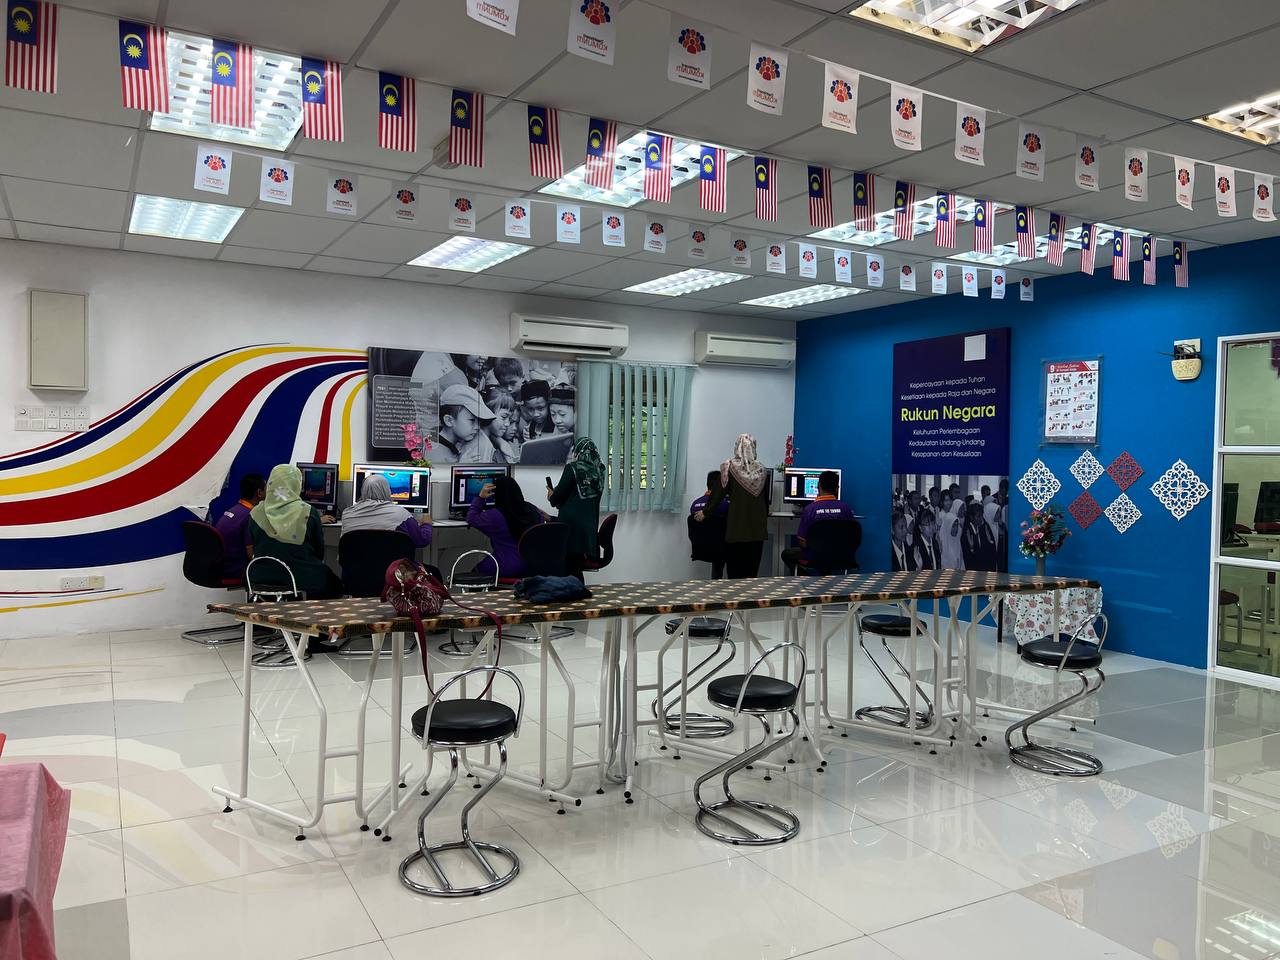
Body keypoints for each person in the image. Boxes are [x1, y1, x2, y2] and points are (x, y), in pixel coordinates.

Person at [247, 464, 344, 599]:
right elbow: (319, 552)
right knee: (334, 584)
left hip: (260, 576)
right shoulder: (308, 512)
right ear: (297, 484)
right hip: (299, 577)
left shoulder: (255, 513)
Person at [698, 434, 768, 579]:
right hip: (757, 532)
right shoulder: (762, 470)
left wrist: (705, 512)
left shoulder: (729, 467)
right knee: (752, 574)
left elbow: (717, 494)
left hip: (737, 530)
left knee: (735, 576)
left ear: (737, 447)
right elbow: (765, 501)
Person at [548, 436, 605, 579]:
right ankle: (577, 590)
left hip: (571, 528)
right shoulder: (600, 470)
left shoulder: (572, 468)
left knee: (569, 567)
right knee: (575, 566)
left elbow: (556, 499)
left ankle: (576, 591)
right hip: (589, 529)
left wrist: (551, 495)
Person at [469, 475, 545, 578]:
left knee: (474, 573)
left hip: (507, 566)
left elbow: (471, 518)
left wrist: (481, 498)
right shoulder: (533, 510)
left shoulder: (495, 515)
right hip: (533, 566)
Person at [781, 470, 854, 572]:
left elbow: (803, 543)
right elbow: (851, 537)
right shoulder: (846, 509)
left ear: (818, 486)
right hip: (840, 556)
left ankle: (805, 579)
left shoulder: (810, 510)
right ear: (837, 488)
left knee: (786, 554)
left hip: (815, 557)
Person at [340, 475, 433, 549]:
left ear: (363, 490)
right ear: (387, 490)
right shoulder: (401, 515)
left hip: (354, 567)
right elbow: (422, 541)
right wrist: (427, 524)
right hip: (392, 567)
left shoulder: (347, 514)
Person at [214, 472, 265, 579]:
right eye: (266, 489)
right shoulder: (249, 517)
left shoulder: (234, 510)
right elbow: (252, 556)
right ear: (259, 493)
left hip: (222, 567)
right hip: (236, 571)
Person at [435, 383, 497, 464]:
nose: (477, 427)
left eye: (479, 421)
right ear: (449, 420)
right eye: (472, 420)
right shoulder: (433, 449)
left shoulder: (453, 445)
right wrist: (460, 466)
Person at [483, 387, 521, 463]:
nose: (507, 424)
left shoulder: (494, 440)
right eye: (503, 417)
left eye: (509, 419)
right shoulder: (483, 446)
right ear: (488, 412)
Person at [938, 494, 965, 570]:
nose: (956, 529)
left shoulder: (957, 543)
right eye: (953, 526)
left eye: (957, 525)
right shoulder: (943, 547)